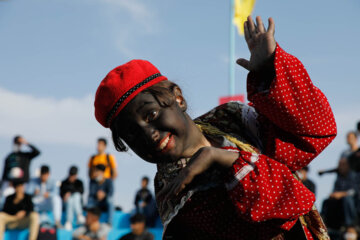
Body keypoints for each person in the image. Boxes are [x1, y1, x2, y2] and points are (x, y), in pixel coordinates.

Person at [94, 16, 337, 239]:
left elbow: (312, 133)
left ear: (177, 98)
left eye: (151, 114)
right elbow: (285, 207)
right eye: (132, 134)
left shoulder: (229, 119)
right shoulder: (178, 193)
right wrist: (226, 160)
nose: (148, 134)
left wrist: (268, 73)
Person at [321, 158, 359, 229]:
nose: (340, 167)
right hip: (339, 200)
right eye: (339, 165)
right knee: (326, 201)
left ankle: (349, 224)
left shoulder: (354, 176)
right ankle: (325, 223)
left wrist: (341, 194)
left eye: (343, 165)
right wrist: (333, 195)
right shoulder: (339, 178)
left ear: (348, 166)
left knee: (347, 199)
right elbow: (335, 190)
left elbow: (354, 191)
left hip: (352, 200)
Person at [60, 166, 85, 230]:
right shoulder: (64, 182)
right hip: (66, 203)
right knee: (70, 200)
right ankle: (71, 219)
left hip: (77, 203)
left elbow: (81, 191)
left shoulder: (79, 182)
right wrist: (65, 196)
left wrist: (70, 193)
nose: (72, 177)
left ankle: (76, 217)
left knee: (76, 196)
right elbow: (61, 193)